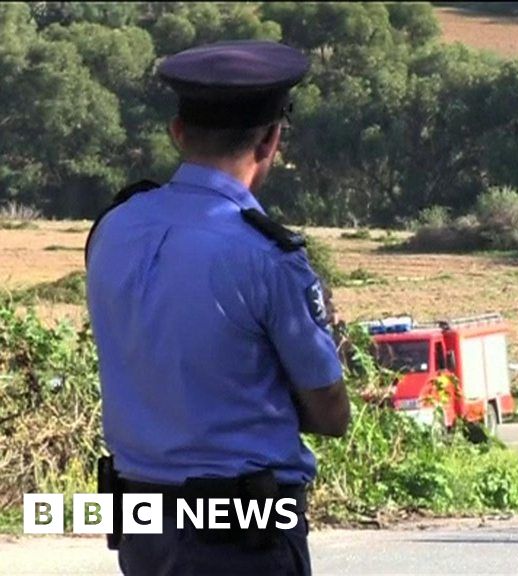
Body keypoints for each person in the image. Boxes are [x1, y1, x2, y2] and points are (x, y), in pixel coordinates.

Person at [85, 40, 350, 576]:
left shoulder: (112, 230)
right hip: (240, 537)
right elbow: (331, 415)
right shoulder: (266, 256)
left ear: (178, 132)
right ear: (272, 140)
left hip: (140, 524)